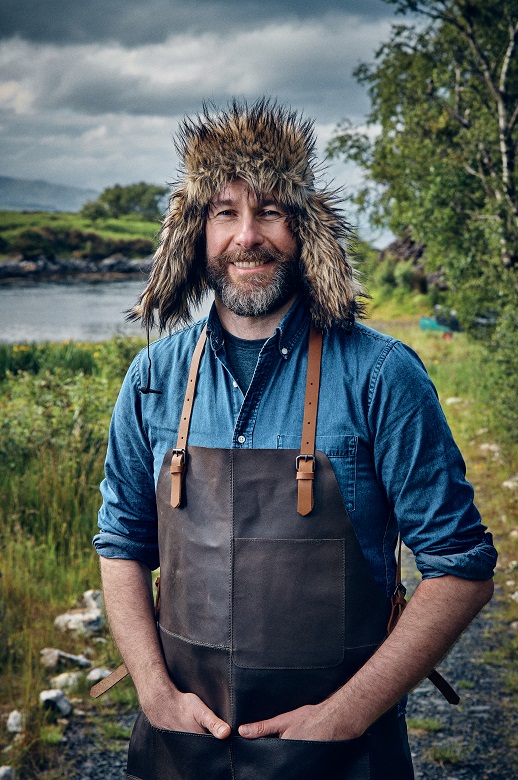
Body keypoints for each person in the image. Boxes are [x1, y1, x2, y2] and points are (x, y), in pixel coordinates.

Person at [93, 99, 497, 780]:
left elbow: (461, 567)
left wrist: (342, 716)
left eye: (271, 210)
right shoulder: (152, 378)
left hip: (342, 758)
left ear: (304, 228)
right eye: (225, 212)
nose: (247, 236)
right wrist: (155, 695)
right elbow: (121, 545)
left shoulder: (381, 374)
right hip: (179, 754)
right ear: (196, 232)